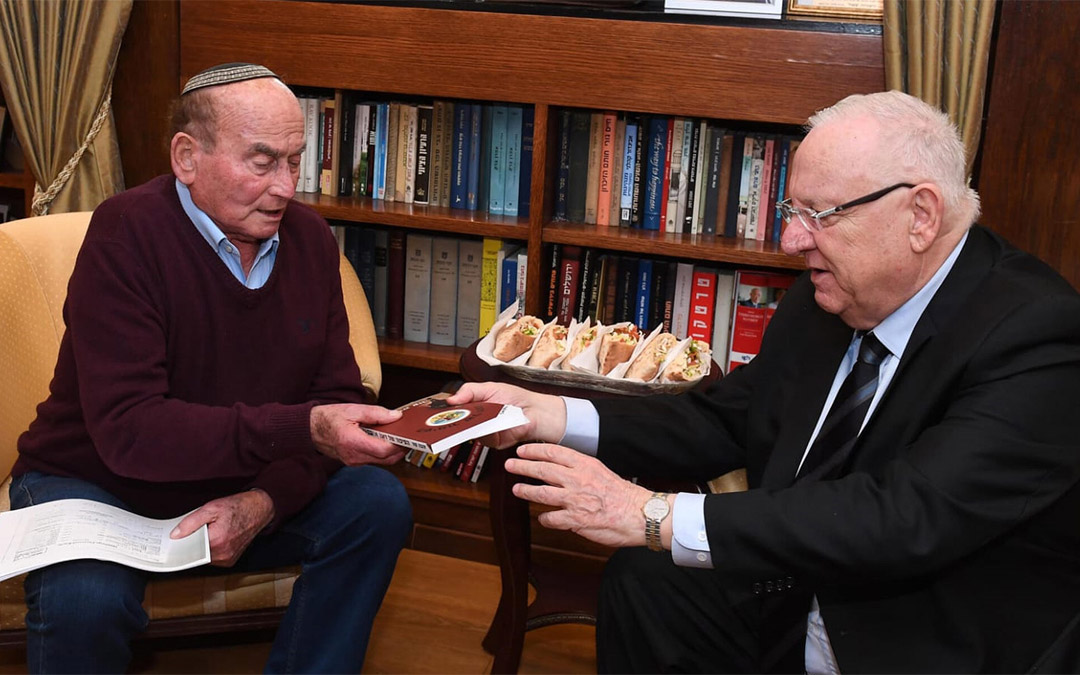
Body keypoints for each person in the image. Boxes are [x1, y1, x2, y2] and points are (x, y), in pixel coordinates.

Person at [449, 90, 1080, 673]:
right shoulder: (825, 298)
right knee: (647, 586)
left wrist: (653, 515)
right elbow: (729, 420)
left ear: (920, 214)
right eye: (789, 210)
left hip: (917, 639)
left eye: (819, 215)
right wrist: (552, 414)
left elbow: (902, 517)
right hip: (799, 592)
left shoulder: (1036, 334)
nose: (789, 240)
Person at [10, 63, 413, 673]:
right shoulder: (126, 233)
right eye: (261, 161)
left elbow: (331, 397)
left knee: (377, 504)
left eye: (295, 159)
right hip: (97, 482)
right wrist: (303, 429)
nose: (285, 187)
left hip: (239, 478)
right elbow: (132, 432)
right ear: (186, 157)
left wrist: (264, 502)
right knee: (85, 601)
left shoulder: (309, 240)